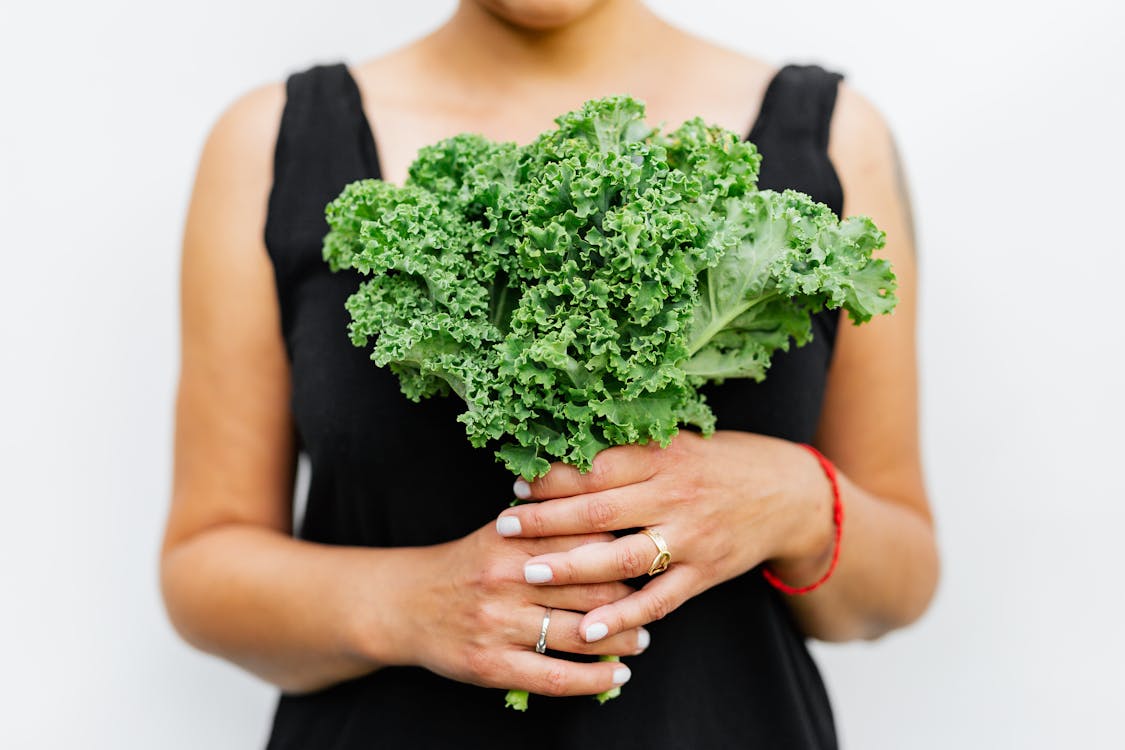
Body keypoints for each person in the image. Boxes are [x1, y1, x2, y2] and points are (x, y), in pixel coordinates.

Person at [160, 1, 939, 747]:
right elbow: (205, 565)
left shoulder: (835, 136)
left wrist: (795, 500)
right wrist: (408, 605)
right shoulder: (269, 142)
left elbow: (899, 581)